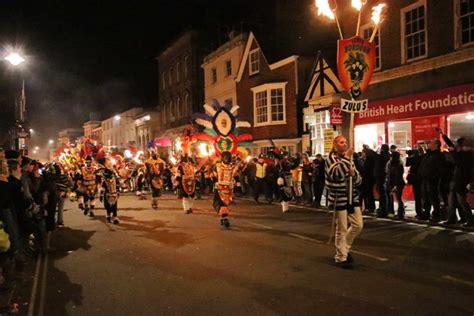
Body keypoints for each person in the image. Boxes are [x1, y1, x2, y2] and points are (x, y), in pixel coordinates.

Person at [325, 135, 363, 268]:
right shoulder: (330, 159)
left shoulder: (349, 158)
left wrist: (354, 175)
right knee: (341, 228)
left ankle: (344, 248)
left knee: (358, 225)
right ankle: (341, 257)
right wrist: (347, 158)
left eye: (345, 142)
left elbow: (358, 180)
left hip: (351, 197)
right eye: (341, 142)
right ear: (335, 145)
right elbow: (336, 174)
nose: (344, 144)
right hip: (338, 198)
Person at [440, 133, 474, 227]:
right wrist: (443, 135)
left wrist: (452, 152)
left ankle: (470, 220)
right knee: (451, 201)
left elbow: (458, 162)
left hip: (461, 181)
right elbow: (451, 146)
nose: (458, 147)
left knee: (462, 202)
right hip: (455, 180)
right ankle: (452, 219)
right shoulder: (461, 153)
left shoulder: (468, 155)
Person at [418, 138, 446, 222]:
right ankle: (426, 213)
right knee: (425, 197)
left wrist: (434, 176)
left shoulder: (439, 155)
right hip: (425, 178)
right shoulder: (428, 154)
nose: (429, 144)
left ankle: (436, 215)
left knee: (433, 197)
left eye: (431, 142)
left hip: (432, 180)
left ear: (436, 145)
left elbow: (440, 169)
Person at [213, 151, 236, 228]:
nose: (226, 159)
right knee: (219, 204)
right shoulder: (217, 166)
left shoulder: (233, 166)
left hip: (228, 189)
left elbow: (235, 176)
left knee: (225, 203)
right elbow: (213, 176)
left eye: (227, 157)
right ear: (222, 158)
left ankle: (224, 218)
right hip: (219, 188)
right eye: (224, 157)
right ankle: (224, 218)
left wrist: (235, 182)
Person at [385, 151, 405, 219]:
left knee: (398, 198)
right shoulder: (392, 163)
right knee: (397, 198)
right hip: (394, 183)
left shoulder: (398, 164)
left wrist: (395, 185)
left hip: (397, 183)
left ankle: (401, 213)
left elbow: (398, 175)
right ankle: (400, 212)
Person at [406, 147, 424, 218]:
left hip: (417, 179)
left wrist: (410, 156)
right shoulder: (422, 158)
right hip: (419, 179)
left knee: (418, 196)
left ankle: (419, 212)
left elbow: (407, 164)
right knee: (419, 196)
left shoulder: (415, 159)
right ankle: (420, 211)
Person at [374, 144, 391, 217]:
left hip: (381, 177)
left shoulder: (382, 157)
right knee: (384, 194)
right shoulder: (388, 156)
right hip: (383, 177)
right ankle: (385, 209)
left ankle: (383, 210)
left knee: (383, 194)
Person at [102, 158, 120, 224]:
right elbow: (103, 182)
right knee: (108, 205)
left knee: (114, 205)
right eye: (107, 162)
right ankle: (108, 215)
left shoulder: (114, 172)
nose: (109, 163)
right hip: (107, 192)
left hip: (114, 191)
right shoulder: (103, 172)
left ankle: (115, 216)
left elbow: (118, 180)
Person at [360, 145, 376, 213]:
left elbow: (365, 170)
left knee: (368, 193)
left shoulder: (368, 159)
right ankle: (370, 207)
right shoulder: (372, 157)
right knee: (369, 193)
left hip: (368, 178)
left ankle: (370, 207)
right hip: (370, 178)